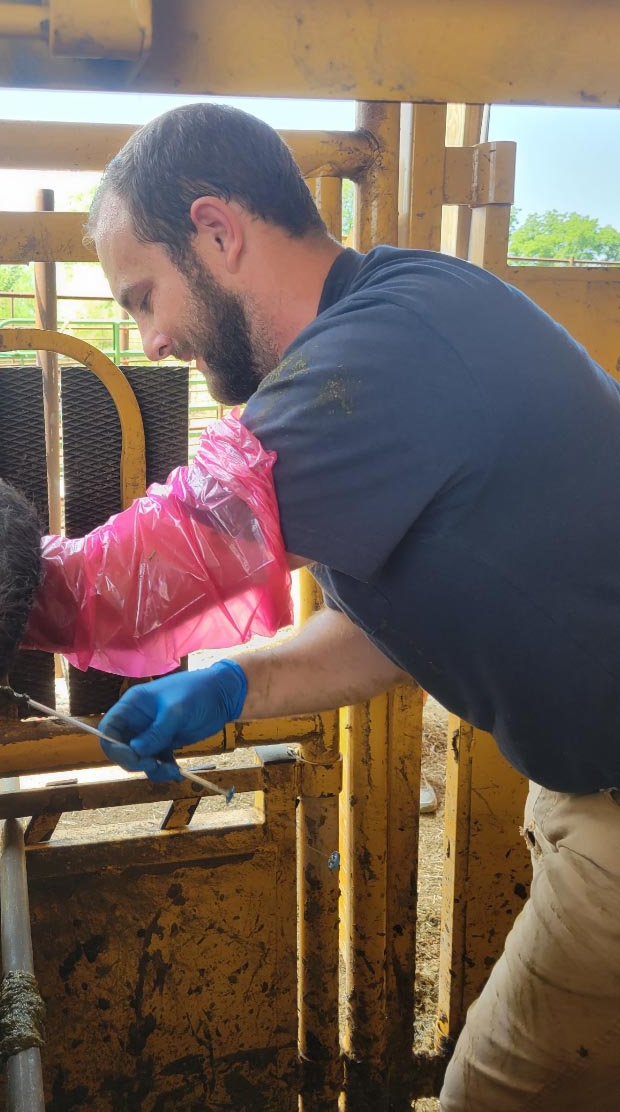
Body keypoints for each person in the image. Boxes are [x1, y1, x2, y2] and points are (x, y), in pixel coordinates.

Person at [81, 102, 620, 1110]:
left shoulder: (377, 356)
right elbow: (389, 631)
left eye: (144, 295)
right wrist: (237, 681)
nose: (149, 339)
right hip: (588, 790)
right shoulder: (399, 312)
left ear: (217, 232)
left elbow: (130, 577)